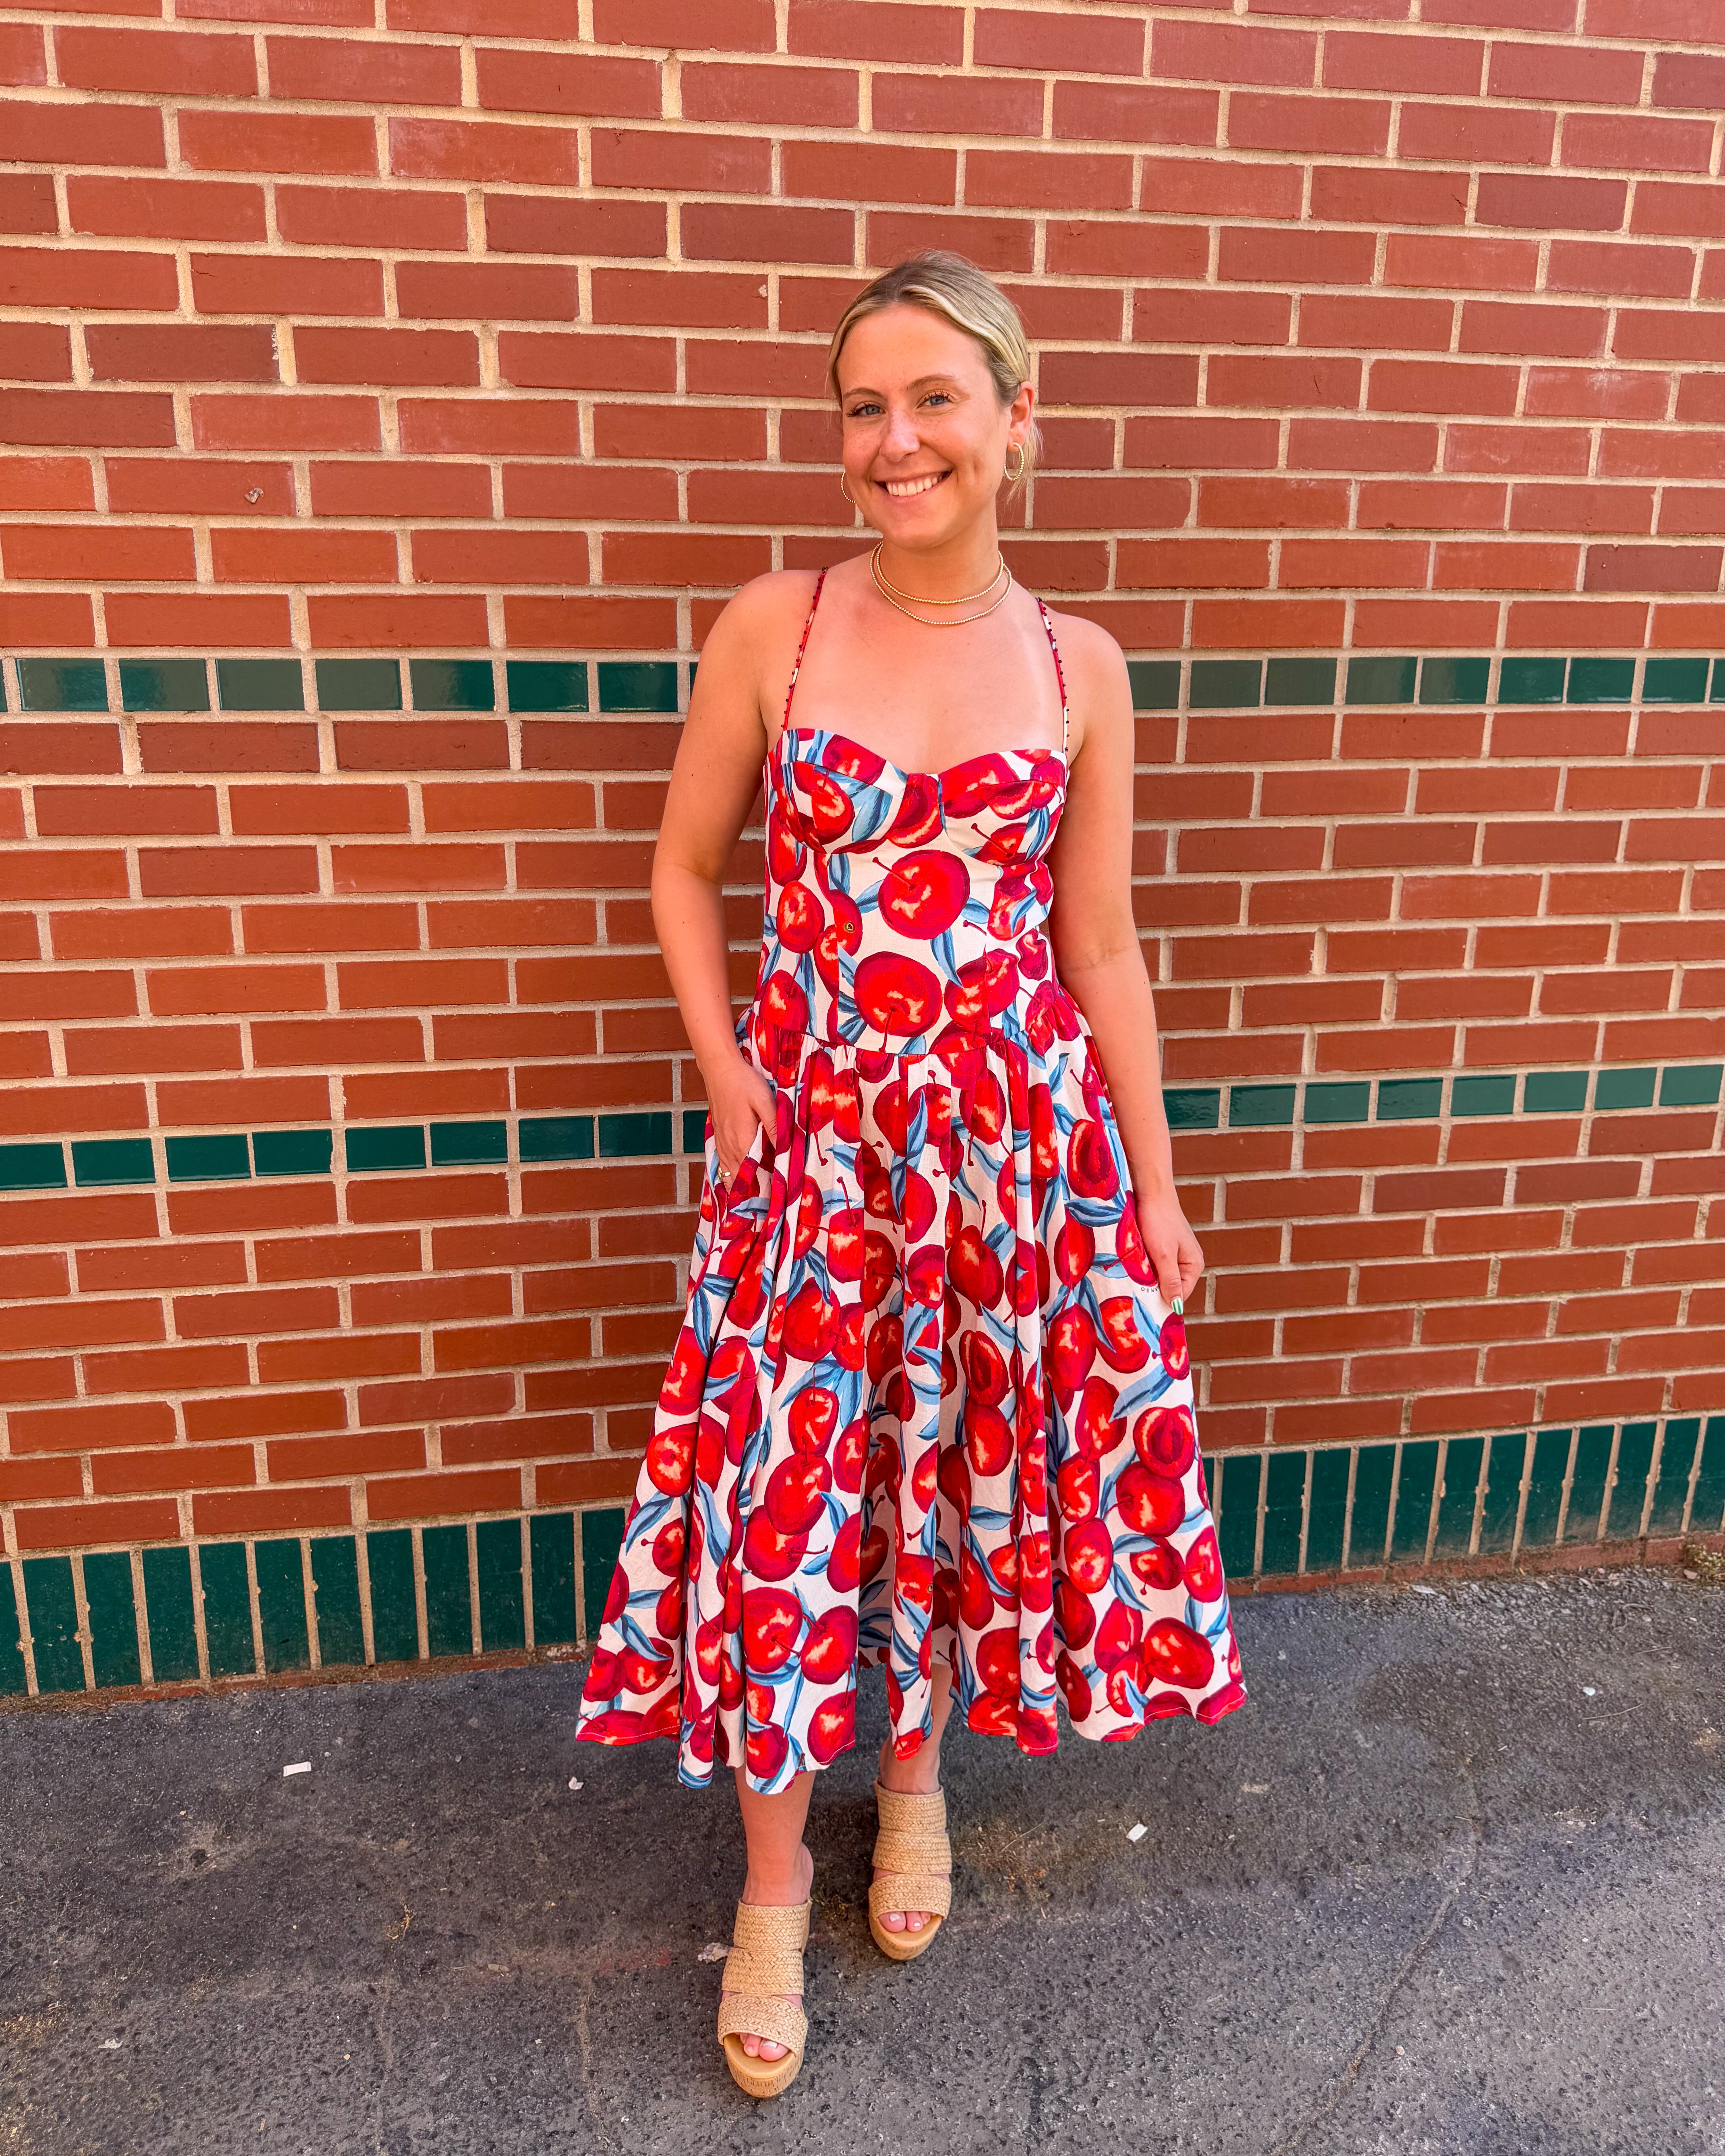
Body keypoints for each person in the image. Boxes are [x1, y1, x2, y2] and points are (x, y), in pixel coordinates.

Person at [576, 251, 1244, 2098]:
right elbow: (680, 869)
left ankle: (921, 1781)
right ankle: (775, 1885)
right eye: (864, 406)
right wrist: (725, 1073)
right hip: (810, 1156)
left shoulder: (1080, 665)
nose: (896, 440)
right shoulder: (776, 628)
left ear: (1018, 420)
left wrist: (1157, 1185)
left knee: (950, 1477)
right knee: (784, 1503)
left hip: (1015, 1156)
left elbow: (1099, 941)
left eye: (935, 399)